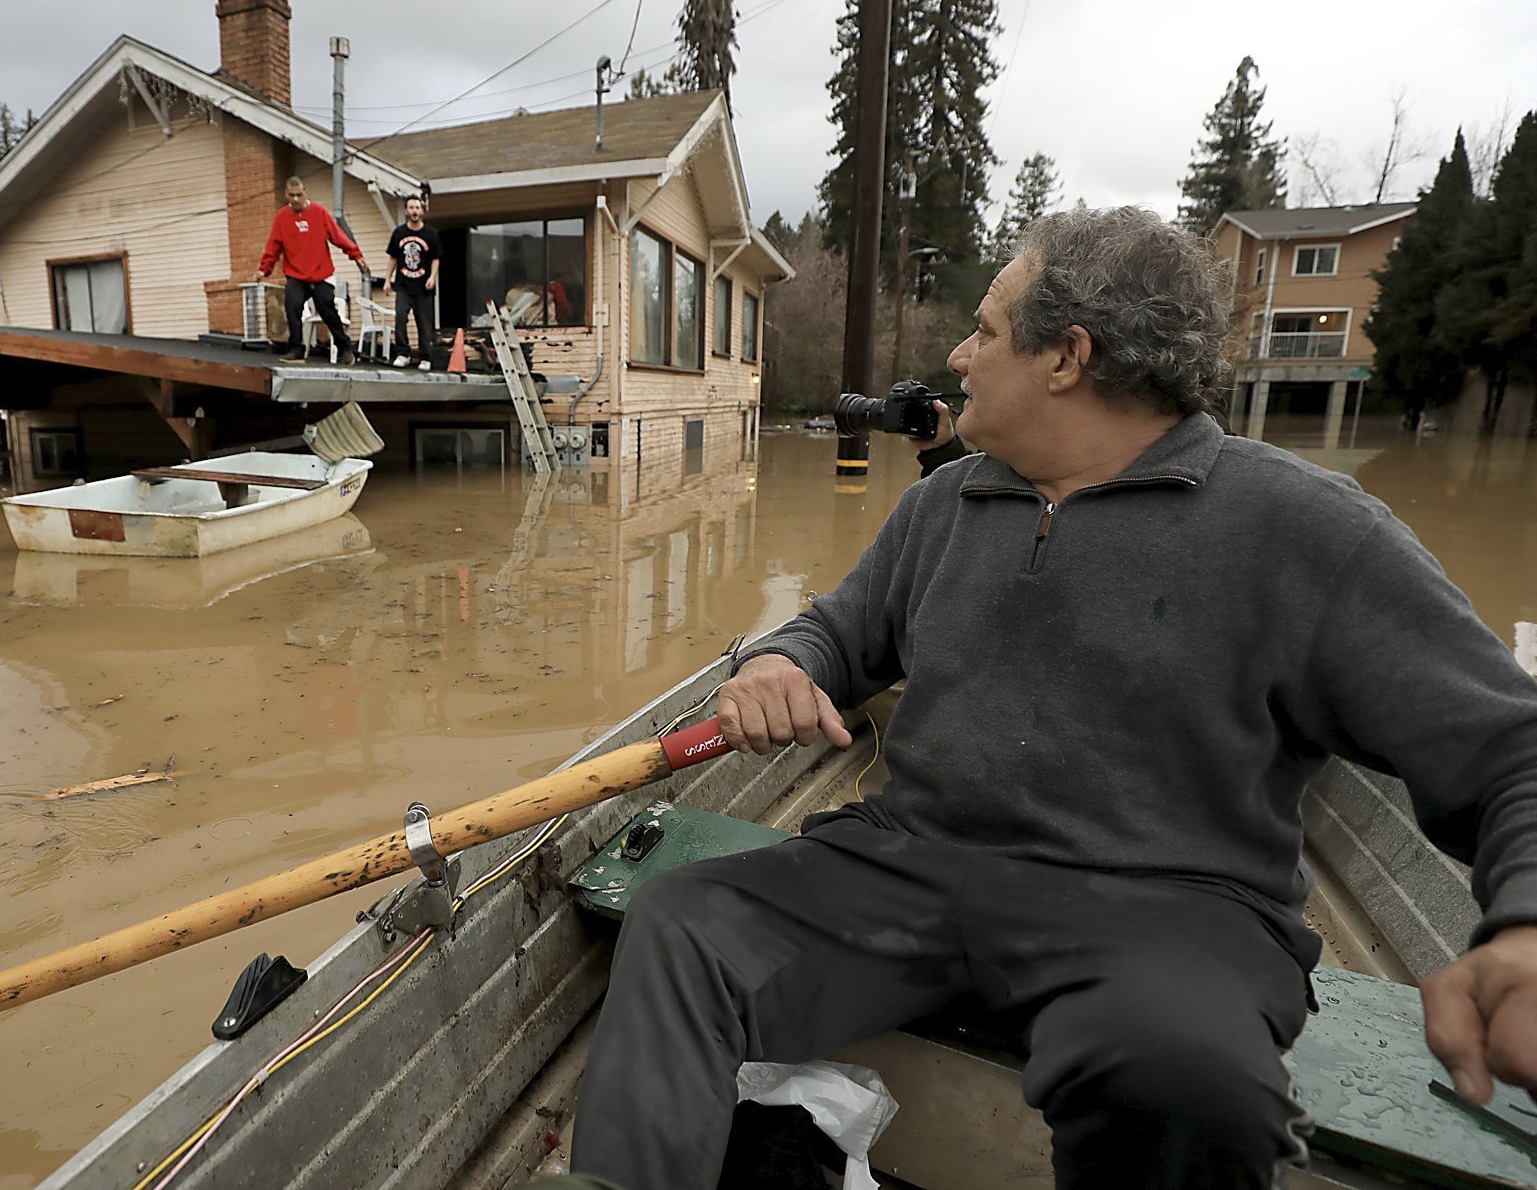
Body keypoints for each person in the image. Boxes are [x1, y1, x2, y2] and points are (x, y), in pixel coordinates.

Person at [569, 206, 1537, 1190]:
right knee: (682, 926)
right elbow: (836, 634)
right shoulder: (945, 504)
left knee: (1189, 1080)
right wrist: (778, 663)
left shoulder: (1310, 531)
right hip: (911, 863)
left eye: (983, 331)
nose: (957, 353)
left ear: (1065, 357)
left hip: (1167, 906)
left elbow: (1511, 750)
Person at [255, 176, 370, 365]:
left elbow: (338, 236)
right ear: (286, 195)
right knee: (292, 306)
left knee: (328, 310)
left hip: (321, 274)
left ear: (305, 193)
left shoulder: (319, 213)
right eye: (291, 195)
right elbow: (273, 247)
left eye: (299, 195)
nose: (295, 199)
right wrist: (263, 270)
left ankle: (345, 348)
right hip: (296, 275)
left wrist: (356, 255)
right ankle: (296, 349)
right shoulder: (282, 218)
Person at [384, 194, 441, 368]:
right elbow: (393, 257)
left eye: (417, 208)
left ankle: (426, 357)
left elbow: (436, 258)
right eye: (411, 208)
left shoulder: (431, 234)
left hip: (423, 286)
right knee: (400, 317)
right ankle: (403, 353)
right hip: (403, 285)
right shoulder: (399, 233)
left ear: (422, 211)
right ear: (406, 211)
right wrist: (387, 279)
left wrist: (432, 277)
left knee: (423, 323)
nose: (414, 211)